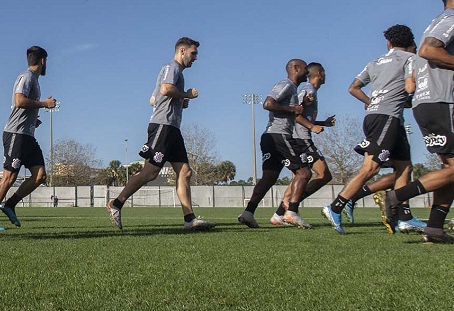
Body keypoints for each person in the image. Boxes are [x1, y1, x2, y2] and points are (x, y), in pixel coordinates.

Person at [106, 38, 216, 232]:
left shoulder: (174, 72)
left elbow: (153, 99)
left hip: (172, 128)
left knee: (185, 172)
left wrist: (179, 99)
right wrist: (186, 94)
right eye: (193, 53)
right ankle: (117, 203)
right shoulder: (172, 67)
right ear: (182, 51)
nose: (196, 58)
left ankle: (189, 219)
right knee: (151, 172)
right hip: (163, 127)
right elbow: (165, 89)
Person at [321, 25, 421, 234]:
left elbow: (353, 88)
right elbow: (410, 87)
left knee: (405, 167)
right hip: (387, 118)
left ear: (389, 43)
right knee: (371, 167)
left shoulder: (374, 62)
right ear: (411, 45)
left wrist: (370, 101)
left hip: (380, 116)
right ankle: (335, 206)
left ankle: (405, 217)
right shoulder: (410, 58)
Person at [383, 0, 454, 242]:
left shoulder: (436, 22)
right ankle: (396, 196)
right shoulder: (451, 20)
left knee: (450, 169)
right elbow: (428, 51)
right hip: (441, 102)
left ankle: (434, 228)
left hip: (428, 103)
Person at [0, 46, 56, 231]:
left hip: (27, 135)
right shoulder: (27, 77)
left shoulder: (35, 81)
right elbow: (19, 101)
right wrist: (44, 104)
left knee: (39, 175)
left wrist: (33, 119)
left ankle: (10, 205)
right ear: (43, 61)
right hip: (16, 134)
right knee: (9, 176)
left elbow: (24, 107)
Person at [237, 59, 313, 229]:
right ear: (295, 68)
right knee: (304, 173)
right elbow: (268, 104)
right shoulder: (286, 84)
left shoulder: (292, 89)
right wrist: (293, 110)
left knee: (269, 177)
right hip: (279, 136)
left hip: (270, 136)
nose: (307, 72)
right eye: (305, 69)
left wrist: (301, 106)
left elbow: (285, 108)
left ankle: (248, 213)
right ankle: (292, 212)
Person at [271, 63, 337, 226]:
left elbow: (303, 116)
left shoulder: (311, 91)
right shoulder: (307, 90)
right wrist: (312, 127)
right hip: (301, 139)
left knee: (297, 178)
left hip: (301, 137)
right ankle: (291, 207)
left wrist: (322, 123)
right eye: (325, 73)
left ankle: (279, 215)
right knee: (323, 175)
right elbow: (296, 113)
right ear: (320, 73)